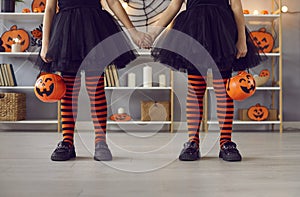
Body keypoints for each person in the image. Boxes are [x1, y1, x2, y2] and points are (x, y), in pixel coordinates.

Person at [146, 0, 263, 161]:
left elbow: (236, 5)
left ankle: (226, 143)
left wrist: (242, 38)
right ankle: (193, 142)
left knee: (223, 90)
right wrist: (153, 33)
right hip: (194, 31)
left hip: (222, 32)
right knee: (195, 90)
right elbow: (174, 5)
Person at [38, 0, 152, 161]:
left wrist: (133, 32)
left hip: (93, 30)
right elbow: (49, 8)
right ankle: (67, 142)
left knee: (96, 89)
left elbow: (112, 2)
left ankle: (100, 142)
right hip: (67, 32)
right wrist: (45, 43)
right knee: (69, 91)